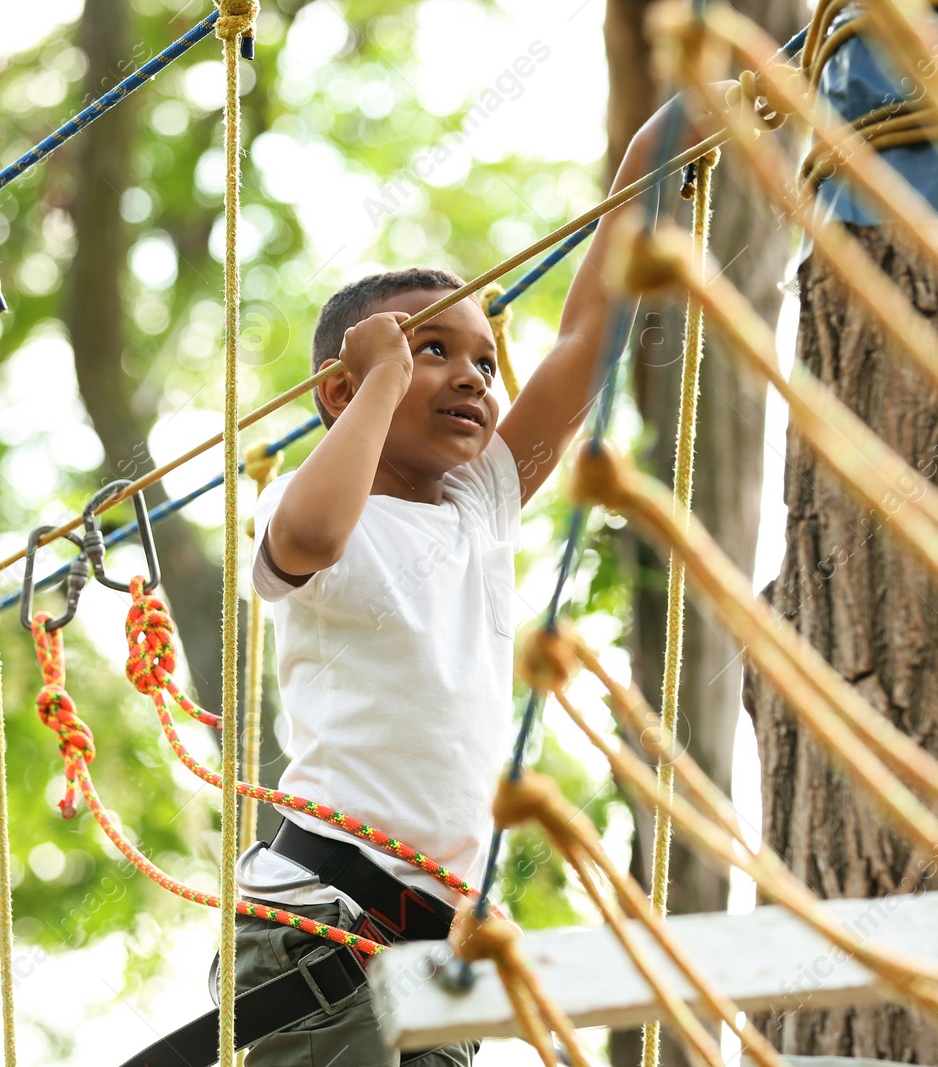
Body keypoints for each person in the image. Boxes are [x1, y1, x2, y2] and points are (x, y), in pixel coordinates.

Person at [232, 95, 711, 1067]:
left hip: (438, 945)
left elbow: (584, 338)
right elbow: (309, 535)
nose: (470, 376)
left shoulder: (478, 500)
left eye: (485, 360)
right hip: (320, 923)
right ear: (339, 392)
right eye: (429, 351)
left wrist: (641, 166)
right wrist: (374, 379)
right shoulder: (317, 497)